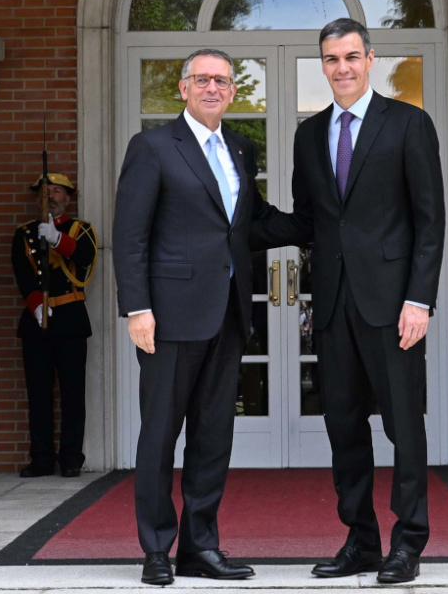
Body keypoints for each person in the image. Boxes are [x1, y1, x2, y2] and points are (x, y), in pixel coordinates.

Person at [250, 18, 445, 584]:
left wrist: (420, 299)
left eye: (352, 57)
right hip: (332, 306)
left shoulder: (409, 124)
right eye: (332, 59)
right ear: (323, 64)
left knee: (404, 429)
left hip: (393, 307)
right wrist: (239, 217)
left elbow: (429, 223)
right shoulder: (309, 135)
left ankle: (409, 543)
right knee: (344, 430)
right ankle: (361, 542)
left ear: (370, 58)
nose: (342, 68)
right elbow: (310, 221)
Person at [113, 49, 273, 585]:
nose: (211, 88)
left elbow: (250, 226)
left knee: (213, 436)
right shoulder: (153, 147)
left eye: (221, 80)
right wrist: (137, 308)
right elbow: (129, 235)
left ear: (233, 91)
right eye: (201, 79)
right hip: (169, 315)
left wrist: (335, 222)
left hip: (227, 314)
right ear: (182, 88)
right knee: (160, 435)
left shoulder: (241, 150)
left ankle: (201, 547)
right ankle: (156, 548)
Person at [11, 173, 97, 479]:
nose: (51, 196)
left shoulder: (81, 230)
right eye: (45, 192)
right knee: (39, 394)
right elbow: (22, 274)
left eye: (57, 191)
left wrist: (58, 240)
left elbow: (85, 257)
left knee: (73, 394)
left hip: (71, 320)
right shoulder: (24, 233)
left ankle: (71, 457)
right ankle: (42, 457)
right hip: (38, 323)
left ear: (68, 198)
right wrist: (36, 305)